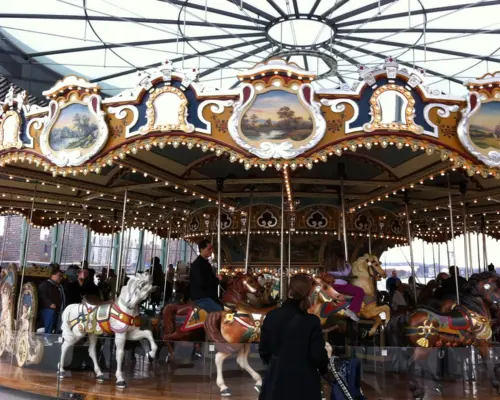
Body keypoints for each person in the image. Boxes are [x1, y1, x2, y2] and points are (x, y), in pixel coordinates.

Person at [259, 274, 331, 400]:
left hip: (276, 381)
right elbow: (318, 355)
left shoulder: (272, 316)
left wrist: (276, 363)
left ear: (289, 290)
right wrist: (324, 370)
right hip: (304, 382)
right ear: (309, 293)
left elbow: (264, 350)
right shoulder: (311, 321)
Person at [324, 240, 364, 322]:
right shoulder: (342, 263)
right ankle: (352, 310)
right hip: (342, 287)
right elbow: (346, 273)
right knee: (360, 291)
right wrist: (349, 265)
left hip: (331, 286)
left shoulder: (328, 261)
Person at [189, 239, 223, 312]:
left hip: (207, 296)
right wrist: (217, 280)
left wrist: (215, 278)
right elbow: (202, 283)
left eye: (211, 249)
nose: (211, 251)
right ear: (202, 249)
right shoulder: (197, 264)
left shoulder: (205, 263)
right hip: (202, 297)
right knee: (219, 310)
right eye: (209, 249)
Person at [38, 265, 65, 345]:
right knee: (51, 313)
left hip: (58, 310)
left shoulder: (59, 287)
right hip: (45, 309)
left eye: (61, 276)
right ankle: (47, 337)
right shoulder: (45, 284)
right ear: (52, 275)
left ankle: (56, 336)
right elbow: (42, 295)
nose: (60, 278)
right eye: (59, 276)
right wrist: (49, 304)